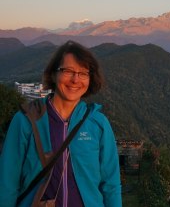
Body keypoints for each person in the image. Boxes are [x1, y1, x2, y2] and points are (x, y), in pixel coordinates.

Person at [0, 40, 122, 207]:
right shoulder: (26, 121)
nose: (75, 79)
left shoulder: (98, 124)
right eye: (68, 71)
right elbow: (7, 183)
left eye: (83, 73)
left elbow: (111, 185)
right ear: (53, 74)